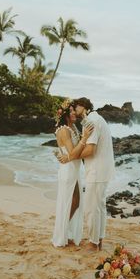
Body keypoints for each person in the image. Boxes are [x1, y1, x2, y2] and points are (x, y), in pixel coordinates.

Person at [58, 97, 115, 251]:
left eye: (75, 108)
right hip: (102, 169)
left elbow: (90, 149)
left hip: (97, 170)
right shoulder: (94, 119)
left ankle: (93, 243)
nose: (74, 112)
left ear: (83, 107)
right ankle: (98, 240)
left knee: (91, 208)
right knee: (99, 207)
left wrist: (70, 157)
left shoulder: (92, 121)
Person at [52, 99, 94, 247]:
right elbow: (73, 153)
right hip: (68, 171)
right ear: (65, 115)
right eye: (70, 111)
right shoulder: (64, 130)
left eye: (73, 110)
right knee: (70, 202)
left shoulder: (73, 127)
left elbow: (71, 153)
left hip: (74, 170)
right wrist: (85, 138)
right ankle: (61, 234)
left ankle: (65, 232)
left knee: (74, 202)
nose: (74, 112)